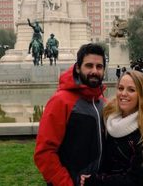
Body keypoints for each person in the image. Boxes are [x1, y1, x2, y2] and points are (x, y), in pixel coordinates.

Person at [34, 43, 107, 186]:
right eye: (89, 66)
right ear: (78, 67)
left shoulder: (103, 102)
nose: (94, 71)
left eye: (99, 67)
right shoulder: (60, 101)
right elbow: (44, 152)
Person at [81, 70, 143, 186]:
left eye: (131, 90)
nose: (123, 94)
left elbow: (135, 180)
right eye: (120, 88)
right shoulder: (108, 118)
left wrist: (94, 181)